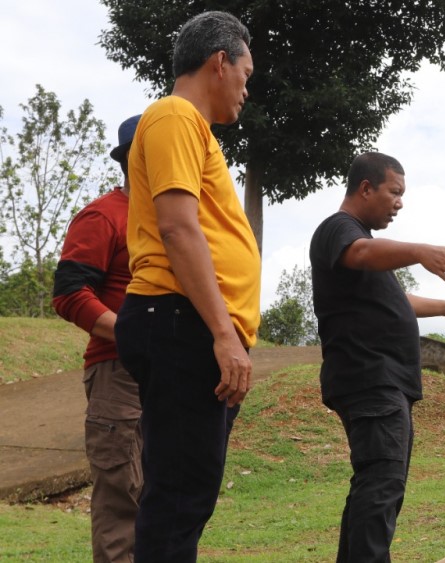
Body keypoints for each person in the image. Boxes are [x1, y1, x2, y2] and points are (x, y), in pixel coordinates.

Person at [113, 11, 260, 562]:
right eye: (246, 73)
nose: (247, 88)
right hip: (180, 321)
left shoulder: (193, 128)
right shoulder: (175, 114)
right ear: (219, 63)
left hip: (189, 325)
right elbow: (177, 227)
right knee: (178, 498)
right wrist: (223, 333)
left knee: (187, 496)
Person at [310, 151, 445, 562]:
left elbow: (393, 298)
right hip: (371, 379)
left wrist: (442, 306)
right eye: (395, 192)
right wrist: (420, 251)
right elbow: (363, 254)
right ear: (366, 188)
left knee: (375, 483)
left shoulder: (362, 245)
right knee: (381, 484)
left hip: (383, 382)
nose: (400, 202)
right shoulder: (341, 230)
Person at [52, 114, 142, 563]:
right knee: (122, 501)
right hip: (118, 372)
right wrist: (130, 335)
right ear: (136, 159)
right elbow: (69, 293)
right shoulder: (103, 215)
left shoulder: (176, 218)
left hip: (170, 375)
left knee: (164, 498)